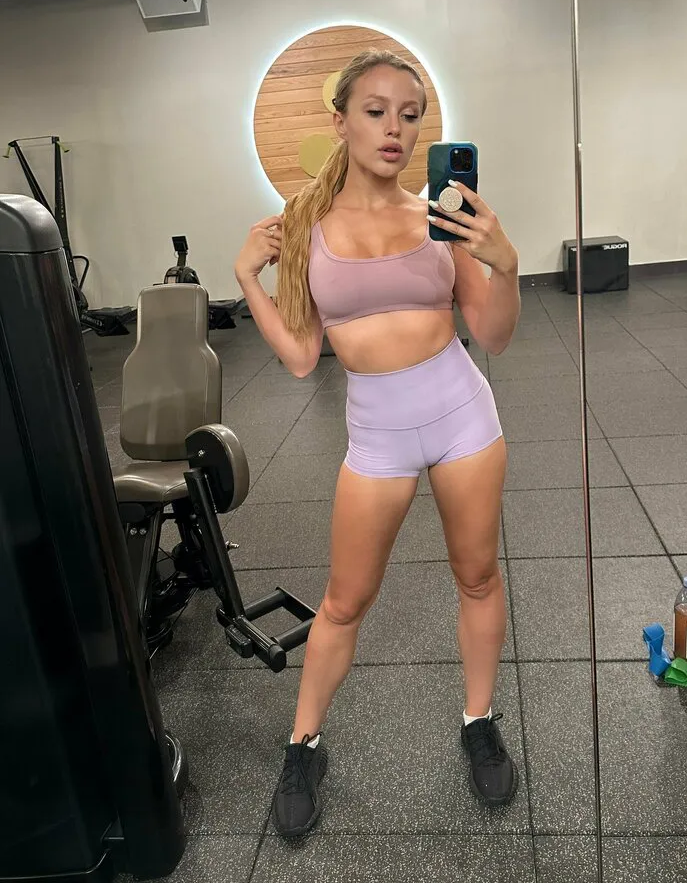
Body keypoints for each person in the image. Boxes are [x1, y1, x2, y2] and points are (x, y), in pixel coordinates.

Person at [234, 49, 521, 838]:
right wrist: (249, 279)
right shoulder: (307, 226)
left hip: (462, 415)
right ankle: (304, 743)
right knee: (344, 599)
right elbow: (301, 358)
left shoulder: (440, 216)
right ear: (341, 122)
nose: (395, 128)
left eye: (410, 114)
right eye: (376, 111)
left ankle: (478, 720)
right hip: (378, 434)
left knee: (478, 576)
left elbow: (494, 335)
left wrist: (506, 266)